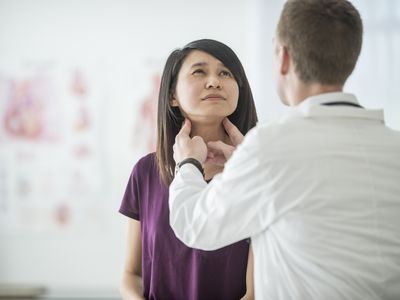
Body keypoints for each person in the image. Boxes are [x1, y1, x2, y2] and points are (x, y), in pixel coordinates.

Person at [169, 1, 400, 300]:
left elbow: (195, 225)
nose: (215, 81)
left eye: (226, 73)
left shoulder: (269, 148)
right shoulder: (394, 148)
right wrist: (248, 162)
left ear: (284, 58)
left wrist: (187, 162)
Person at [119, 39, 258, 300]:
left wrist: (250, 169)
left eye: (226, 73)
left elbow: (255, 292)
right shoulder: (146, 171)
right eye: (199, 71)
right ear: (172, 95)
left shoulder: (255, 174)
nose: (214, 81)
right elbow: (131, 275)